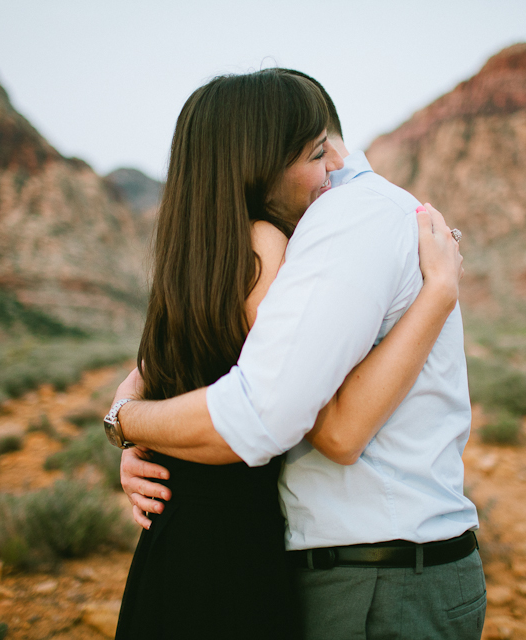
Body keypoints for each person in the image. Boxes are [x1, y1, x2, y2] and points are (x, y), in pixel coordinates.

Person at [110, 69, 475, 639]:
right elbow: (325, 429)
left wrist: (131, 423)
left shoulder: (199, 259)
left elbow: (157, 376)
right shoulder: (273, 244)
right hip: (252, 555)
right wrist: (438, 294)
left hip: (183, 547)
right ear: (256, 162)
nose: (329, 168)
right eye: (310, 154)